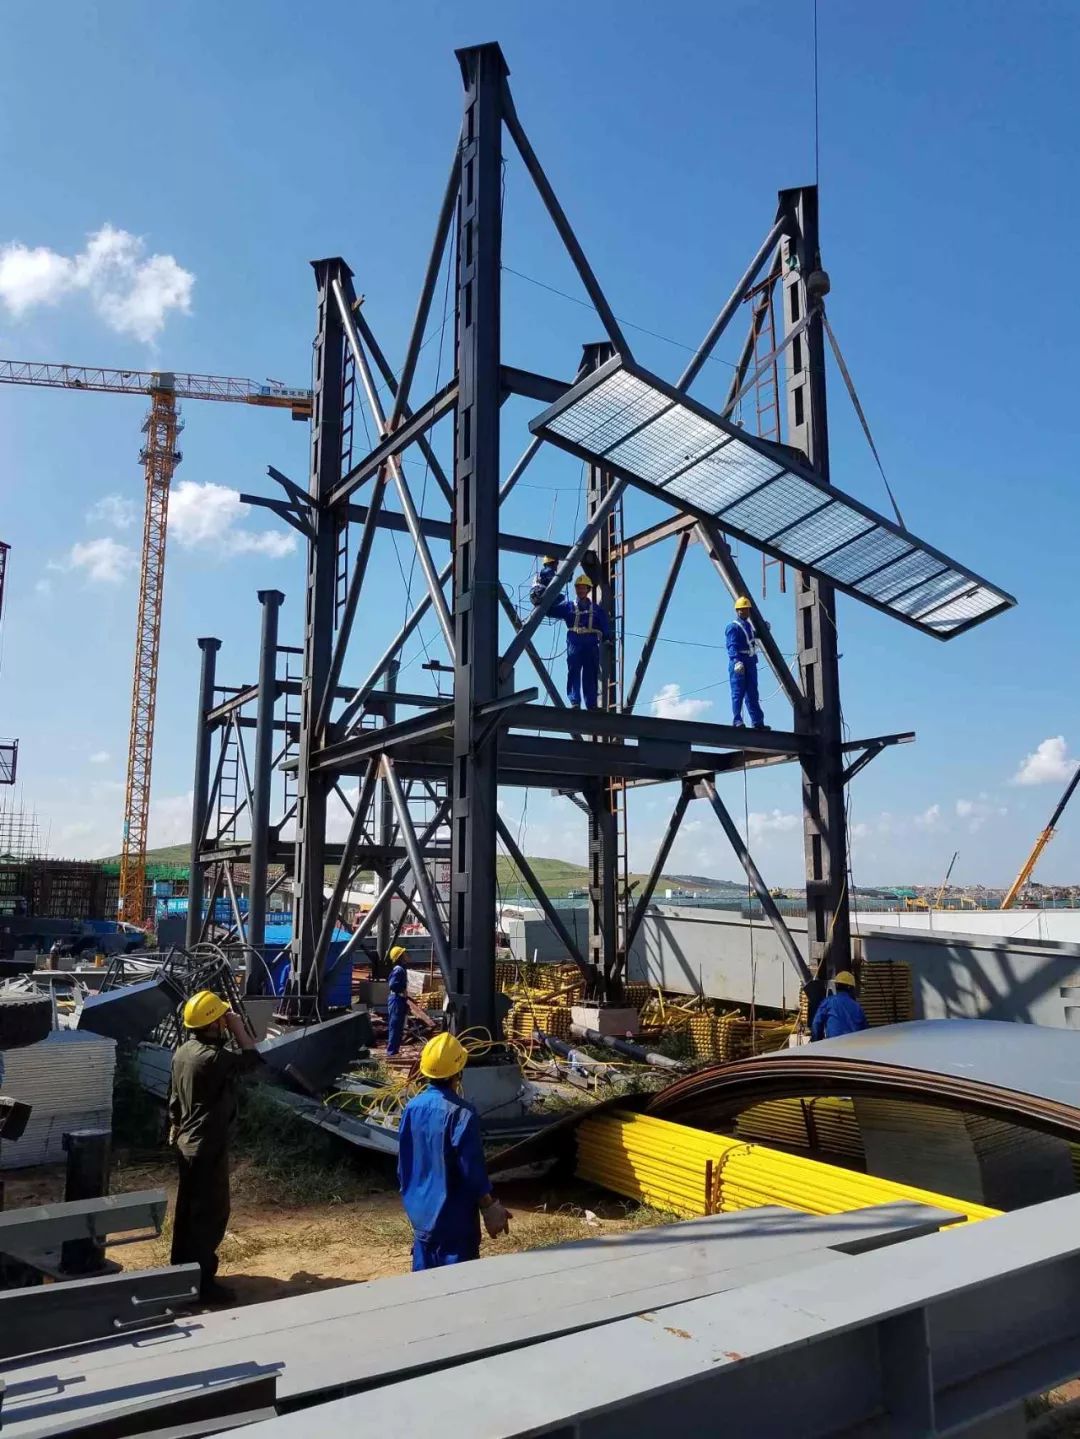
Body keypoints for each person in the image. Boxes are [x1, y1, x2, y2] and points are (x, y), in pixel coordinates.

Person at [168, 990, 261, 1302]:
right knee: (210, 1215)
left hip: (188, 1142)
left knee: (188, 1213)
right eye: (221, 1017)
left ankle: (182, 1274)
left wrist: (176, 1127)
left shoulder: (184, 1051)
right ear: (213, 1024)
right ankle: (202, 1284)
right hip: (207, 1146)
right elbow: (252, 1060)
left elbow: (173, 1101)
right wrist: (238, 1027)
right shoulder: (213, 1058)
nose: (225, 1020)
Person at [397, 1032, 511, 1270]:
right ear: (458, 1072)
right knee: (457, 1286)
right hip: (454, 1222)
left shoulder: (411, 1108)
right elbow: (472, 1170)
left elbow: (403, 1165)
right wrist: (489, 1207)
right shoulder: (462, 1114)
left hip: (421, 1219)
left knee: (423, 1285)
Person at [535, 573, 610, 710]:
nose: (580, 590)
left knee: (590, 673)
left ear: (588, 589)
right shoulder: (568, 606)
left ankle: (591, 704)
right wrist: (542, 598)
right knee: (574, 671)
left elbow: (604, 624)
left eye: (583, 588)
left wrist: (607, 637)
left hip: (590, 643)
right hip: (575, 642)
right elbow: (550, 611)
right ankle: (575, 702)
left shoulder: (596, 610)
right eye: (578, 588)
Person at [726, 595, 767, 729]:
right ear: (737, 610)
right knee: (738, 692)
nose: (745, 612)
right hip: (740, 661)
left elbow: (750, 637)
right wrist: (736, 661)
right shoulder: (733, 627)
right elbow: (732, 646)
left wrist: (763, 629)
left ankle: (757, 721)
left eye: (747, 609)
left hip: (750, 661)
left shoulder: (748, 626)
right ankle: (737, 720)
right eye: (742, 609)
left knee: (752, 693)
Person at [810, 970, 870, 1041]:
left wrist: (817, 1041)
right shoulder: (857, 1007)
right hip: (853, 1045)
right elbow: (865, 1031)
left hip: (834, 1045)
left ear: (836, 986)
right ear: (851, 988)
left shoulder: (828, 1002)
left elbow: (816, 1023)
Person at [386, 944, 409, 1057]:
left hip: (399, 999)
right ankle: (392, 1052)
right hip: (396, 999)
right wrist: (402, 989)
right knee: (395, 1026)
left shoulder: (401, 969)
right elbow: (392, 985)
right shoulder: (398, 970)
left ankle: (395, 1050)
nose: (406, 955)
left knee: (398, 1026)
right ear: (400, 957)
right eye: (404, 954)